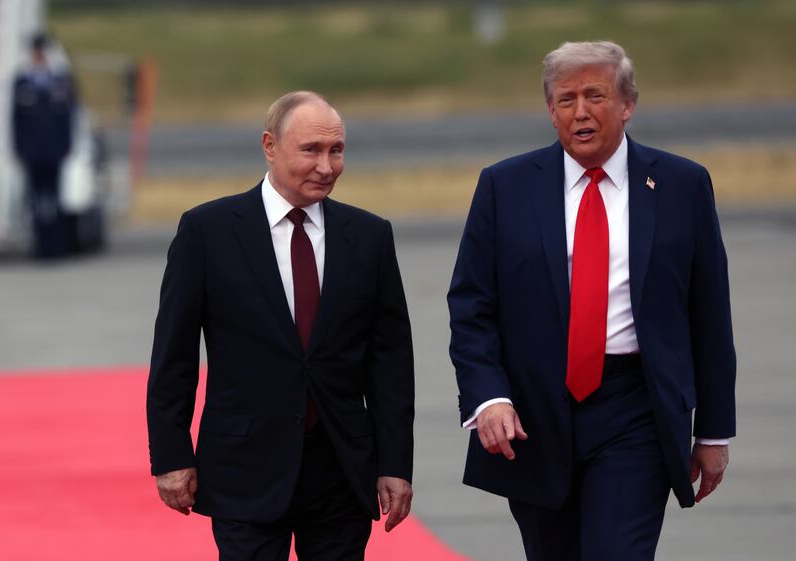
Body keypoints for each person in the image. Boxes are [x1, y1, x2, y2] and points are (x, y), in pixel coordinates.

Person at [448, 41, 736, 561]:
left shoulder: (682, 185)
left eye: (595, 96)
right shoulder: (504, 186)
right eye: (565, 99)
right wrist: (489, 398)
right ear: (550, 111)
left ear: (628, 104)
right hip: (532, 412)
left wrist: (714, 430)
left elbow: (709, 314)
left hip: (635, 408)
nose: (580, 111)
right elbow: (472, 306)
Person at [147, 91, 415, 561]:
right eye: (311, 150)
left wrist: (395, 464)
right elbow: (175, 354)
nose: (326, 166)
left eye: (337, 151)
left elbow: (390, 363)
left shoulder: (370, 236)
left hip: (341, 469)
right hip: (245, 468)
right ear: (269, 146)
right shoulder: (207, 231)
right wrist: (171, 456)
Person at [11, 33, 77, 259]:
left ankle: (56, 247)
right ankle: (40, 247)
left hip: (54, 150)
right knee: (37, 201)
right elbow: (16, 120)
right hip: (32, 151)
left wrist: (68, 145)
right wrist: (18, 149)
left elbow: (68, 117)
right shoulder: (22, 81)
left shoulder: (60, 81)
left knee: (55, 200)